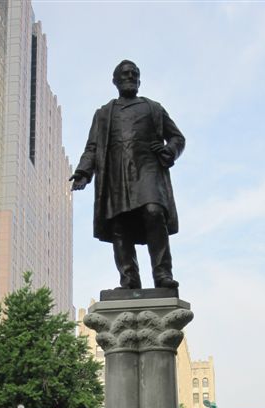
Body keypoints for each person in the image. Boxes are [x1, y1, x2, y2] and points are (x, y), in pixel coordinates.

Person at [70, 60, 185, 291]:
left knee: (154, 212)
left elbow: (177, 138)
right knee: (120, 225)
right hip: (116, 174)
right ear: (115, 81)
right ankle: (129, 279)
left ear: (140, 80)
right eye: (125, 74)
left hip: (148, 169)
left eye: (134, 74)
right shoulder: (104, 114)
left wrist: (170, 150)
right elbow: (92, 147)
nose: (130, 76)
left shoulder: (154, 108)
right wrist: (83, 171)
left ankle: (163, 275)